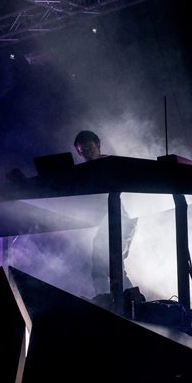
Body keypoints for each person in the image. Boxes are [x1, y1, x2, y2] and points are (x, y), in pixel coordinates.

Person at [74, 130, 137, 304]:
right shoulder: (85, 172)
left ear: (98, 145)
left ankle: (126, 301)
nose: (87, 154)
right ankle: (117, 300)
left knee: (111, 265)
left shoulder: (112, 164)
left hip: (123, 219)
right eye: (82, 151)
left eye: (89, 148)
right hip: (109, 220)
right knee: (106, 265)